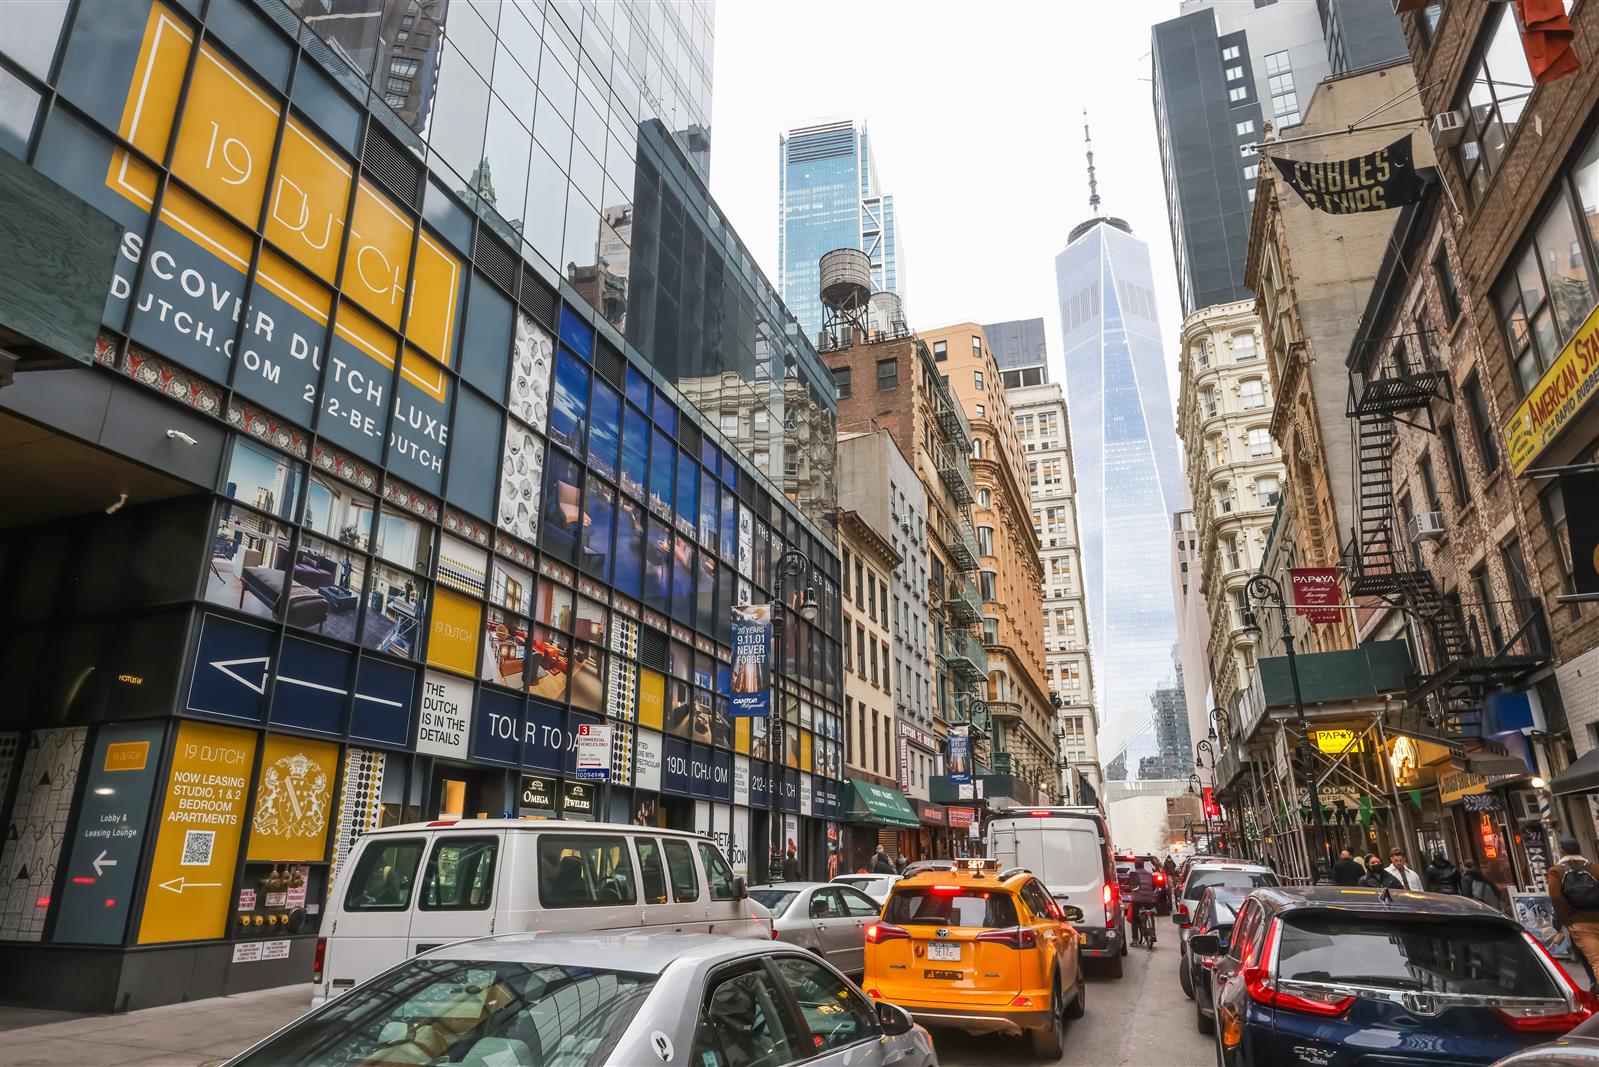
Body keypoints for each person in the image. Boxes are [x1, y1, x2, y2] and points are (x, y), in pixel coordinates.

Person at [1548, 837, 1599, 983]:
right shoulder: (1594, 868)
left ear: (1561, 851)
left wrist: (1565, 920)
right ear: (1580, 849)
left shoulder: (1556, 871)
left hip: (1578, 923)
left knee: (1596, 960)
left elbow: (1556, 897)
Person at [1127, 858, 1160, 946]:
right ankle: (1152, 932)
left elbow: (1130, 886)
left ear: (1135, 865)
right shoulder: (1150, 874)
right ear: (1143, 865)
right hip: (1149, 900)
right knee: (1151, 912)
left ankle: (1135, 940)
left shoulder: (1133, 874)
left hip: (1137, 900)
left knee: (1134, 919)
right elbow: (1154, 886)